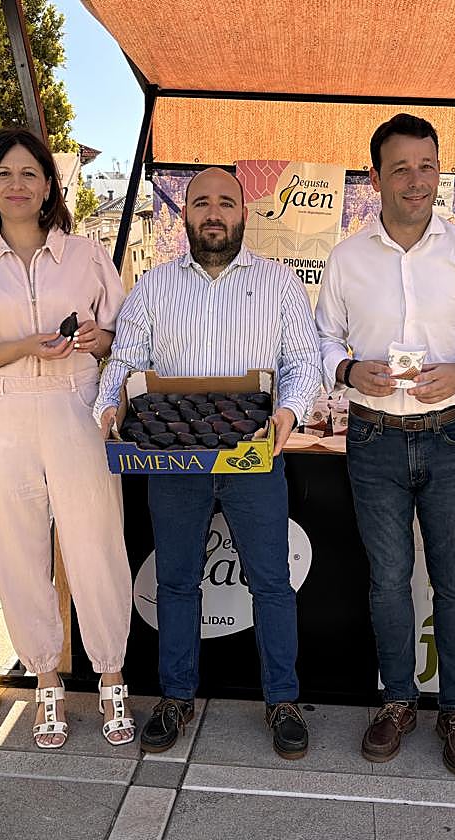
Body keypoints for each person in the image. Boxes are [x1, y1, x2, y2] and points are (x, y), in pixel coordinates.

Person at [315, 113, 455, 777]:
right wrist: (350, 370)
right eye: (400, 168)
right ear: (375, 178)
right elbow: (321, 340)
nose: (415, 180)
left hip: (450, 437)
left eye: (426, 166)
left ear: (440, 172)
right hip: (373, 438)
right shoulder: (347, 258)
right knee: (387, 581)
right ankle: (398, 701)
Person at [93, 166, 322, 759]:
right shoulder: (153, 287)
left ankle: (283, 700)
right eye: (201, 203)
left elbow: (304, 363)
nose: (213, 213)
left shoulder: (279, 284)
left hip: (254, 455)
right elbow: (125, 362)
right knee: (174, 581)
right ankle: (176, 696)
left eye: (225, 202)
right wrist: (108, 407)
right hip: (174, 460)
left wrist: (289, 412)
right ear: (185, 214)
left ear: (243, 213)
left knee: (272, 582)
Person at [0, 127, 134, 749]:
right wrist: (22, 346)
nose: (17, 185)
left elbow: (124, 336)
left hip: (78, 407)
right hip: (1, 413)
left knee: (98, 543)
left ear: (48, 186)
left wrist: (98, 339)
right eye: (4, 174)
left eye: (29, 174)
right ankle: (46, 678)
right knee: (17, 552)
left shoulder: (86, 256)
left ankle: (112, 675)